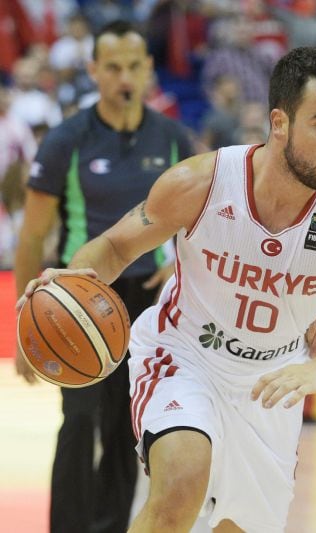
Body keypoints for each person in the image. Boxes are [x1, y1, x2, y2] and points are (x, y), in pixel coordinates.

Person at [17, 46, 316, 533]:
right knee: (180, 488)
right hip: (184, 355)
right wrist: (71, 282)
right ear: (280, 123)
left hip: (274, 381)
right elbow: (114, 248)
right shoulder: (201, 182)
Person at [13, 21, 194, 533]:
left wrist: (177, 262)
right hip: (78, 298)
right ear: (92, 70)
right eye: (112, 67)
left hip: (149, 300)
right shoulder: (67, 140)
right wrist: (26, 331)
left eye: (134, 66)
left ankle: (112, 527)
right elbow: (31, 237)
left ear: (149, 70)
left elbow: (206, 217)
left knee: (130, 427)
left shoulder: (175, 138)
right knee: (80, 420)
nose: (124, 77)